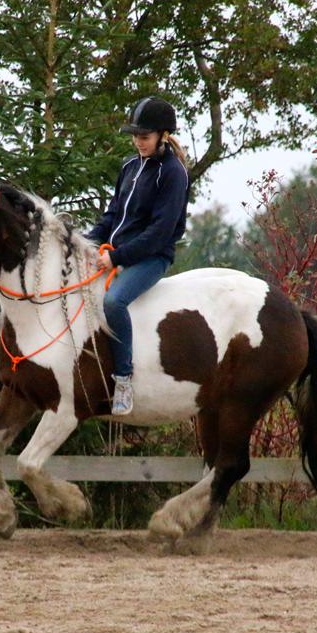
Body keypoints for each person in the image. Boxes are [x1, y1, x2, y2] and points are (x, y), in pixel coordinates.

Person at [87, 96, 190, 415]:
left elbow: (159, 232)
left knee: (113, 302)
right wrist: (88, 241)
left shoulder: (173, 174)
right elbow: (113, 213)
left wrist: (117, 258)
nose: (137, 142)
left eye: (143, 137)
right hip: (116, 252)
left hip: (150, 258)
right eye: (135, 136)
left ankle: (123, 380)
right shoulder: (130, 167)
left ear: (162, 135)